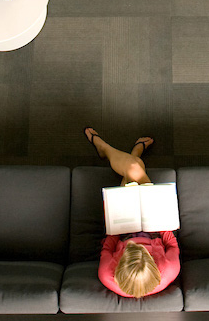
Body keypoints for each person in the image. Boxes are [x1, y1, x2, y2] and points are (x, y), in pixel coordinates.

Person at [83, 127, 179, 298]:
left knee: (133, 171)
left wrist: (116, 219)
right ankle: (128, 153)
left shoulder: (106, 274)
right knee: (134, 169)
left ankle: (107, 148)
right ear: (153, 263)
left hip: (122, 230)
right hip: (154, 228)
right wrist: (160, 219)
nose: (139, 244)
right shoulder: (169, 269)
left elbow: (108, 247)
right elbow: (171, 245)